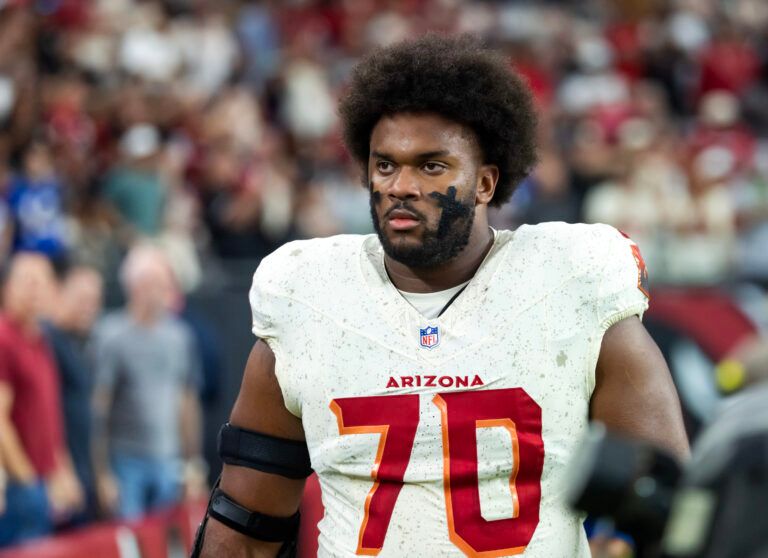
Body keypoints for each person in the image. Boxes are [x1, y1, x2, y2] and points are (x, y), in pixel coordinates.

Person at [195, 35, 689, 557]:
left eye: (431, 166)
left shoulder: (570, 282)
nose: (400, 186)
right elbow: (244, 527)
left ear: (485, 183)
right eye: (385, 165)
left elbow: (666, 509)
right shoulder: (309, 298)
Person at [91, 244, 204, 520]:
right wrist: (102, 473)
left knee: (168, 534)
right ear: (134, 287)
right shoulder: (110, 334)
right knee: (130, 535)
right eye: (153, 283)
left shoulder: (179, 336)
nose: (161, 292)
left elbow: (187, 401)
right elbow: (99, 406)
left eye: (164, 284)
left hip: (168, 458)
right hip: (125, 458)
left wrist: (192, 464)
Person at [0, 253, 83, 547]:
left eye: (42, 282)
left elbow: (49, 415)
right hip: (19, 489)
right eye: (27, 281)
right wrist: (28, 482)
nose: (35, 290)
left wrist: (62, 471)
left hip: (42, 484)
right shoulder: (4, 338)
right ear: (7, 287)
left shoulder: (41, 339)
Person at [42, 265, 104, 522]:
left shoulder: (81, 342)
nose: (89, 308)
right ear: (60, 293)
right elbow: (45, 412)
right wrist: (60, 470)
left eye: (95, 301)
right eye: (82, 299)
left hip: (83, 468)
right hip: (61, 475)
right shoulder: (47, 340)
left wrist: (100, 474)